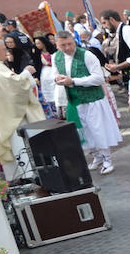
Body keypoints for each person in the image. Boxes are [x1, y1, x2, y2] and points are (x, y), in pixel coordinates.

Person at [51, 29, 122, 174]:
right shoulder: (56, 57)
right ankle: (96, 156)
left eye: (70, 44)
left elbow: (98, 78)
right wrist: (57, 79)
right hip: (74, 100)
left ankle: (107, 160)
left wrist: (74, 81)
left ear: (73, 40)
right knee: (83, 130)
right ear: (57, 45)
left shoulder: (87, 55)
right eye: (63, 45)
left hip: (92, 99)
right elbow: (55, 74)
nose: (67, 48)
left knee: (98, 129)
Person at [0, 36, 45, 171]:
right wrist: (27, 73)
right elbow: (15, 85)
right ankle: (28, 175)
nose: (5, 52)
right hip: (10, 116)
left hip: (0, 112)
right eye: (3, 49)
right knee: (19, 147)